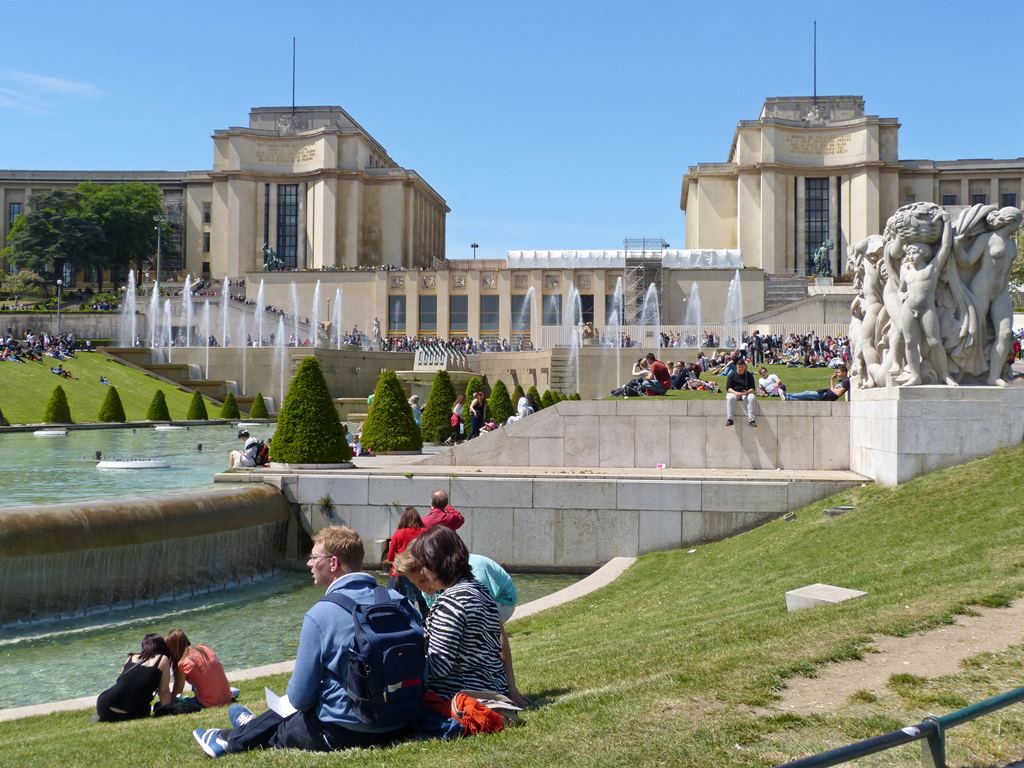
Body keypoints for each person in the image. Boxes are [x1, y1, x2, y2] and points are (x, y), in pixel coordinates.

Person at [192, 526, 420, 758]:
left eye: (313, 558)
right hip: (401, 720)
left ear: (333, 563)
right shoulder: (401, 602)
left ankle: (232, 735)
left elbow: (300, 698)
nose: (309, 564)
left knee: (285, 728)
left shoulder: (321, 614)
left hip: (344, 730)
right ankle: (248, 724)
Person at [400, 551, 528, 708]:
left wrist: (511, 687)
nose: (422, 588)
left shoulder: (475, 581)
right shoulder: (429, 588)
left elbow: (499, 635)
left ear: (432, 569)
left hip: (503, 599)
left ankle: (489, 685)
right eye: (415, 583)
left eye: (423, 580)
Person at [395, 527, 507, 703]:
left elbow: (439, 667)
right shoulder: (481, 591)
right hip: (494, 689)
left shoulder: (450, 603)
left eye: (424, 565)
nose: (423, 571)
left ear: (436, 563)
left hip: (464, 696)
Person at [96, 633, 174, 722]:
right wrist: (168, 711)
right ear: (162, 646)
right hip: (129, 711)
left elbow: (121, 680)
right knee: (146, 709)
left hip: (103, 706)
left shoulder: (131, 657)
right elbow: (164, 691)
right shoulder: (162, 659)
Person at [157, 630, 233, 716]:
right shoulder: (204, 648)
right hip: (227, 698)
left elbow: (177, 692)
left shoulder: (184, 662)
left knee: (162, 707)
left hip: (210, 703)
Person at [387, 506, 428, 614]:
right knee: (424, 604)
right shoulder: (425, 532)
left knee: (405, 605)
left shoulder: (399, 533)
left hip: (402, 573)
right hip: (421, 572)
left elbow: (391, 557)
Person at [784, 364, 850, 401]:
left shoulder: (846, 381)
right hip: (826, 394)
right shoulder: (843, 381)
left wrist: (832, 389)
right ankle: (788, 397)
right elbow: (834, 389)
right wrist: (832, 379)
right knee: (806, 398)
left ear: (844, 372)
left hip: (826, 396)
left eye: (839, 372)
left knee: (807, 393)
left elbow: (838, 394)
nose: (837, 373)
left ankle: (787, 395)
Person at [725, 360, 757, 427]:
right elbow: (728, 388)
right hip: (734, 393)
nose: (740, 369)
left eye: (742, 367)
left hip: (745, 393)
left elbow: (753, 388)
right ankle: (729, 419)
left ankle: (751, 419)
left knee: (751, 397)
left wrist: (747, 392)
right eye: (738, 367)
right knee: (730, 398)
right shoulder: (732, 375)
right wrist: (736, 393)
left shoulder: (749, 375)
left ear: (745, 367)